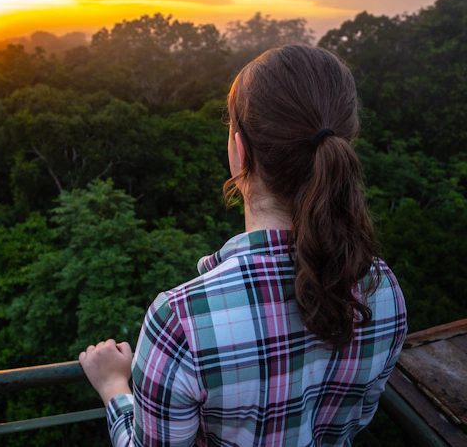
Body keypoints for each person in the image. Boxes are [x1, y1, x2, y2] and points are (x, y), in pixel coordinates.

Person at [79, 45, 407, 447]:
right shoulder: (383, 288)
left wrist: (114, 387)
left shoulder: (181, 322)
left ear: (240, 152)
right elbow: (358, 416)